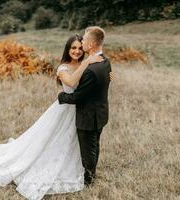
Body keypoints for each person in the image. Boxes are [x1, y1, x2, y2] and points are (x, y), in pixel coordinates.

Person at [0, 34, 103, 200]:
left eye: (80, 48)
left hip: (82, 111)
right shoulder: (63, 68)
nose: (77, 51)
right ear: (68, 49)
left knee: (78, 140)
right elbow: (72, 83)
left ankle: (82, 168)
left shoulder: (86, 64)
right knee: (54, 140)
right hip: (65, 109)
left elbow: (94, 81)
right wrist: (87, 62)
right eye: (73, 48)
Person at [58, 26, 111, 185]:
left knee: (89, 149)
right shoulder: (104, 61)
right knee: (92, 146)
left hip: (87, 115)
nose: (81, 44)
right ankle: (87, 173)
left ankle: (89, 179)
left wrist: (61, 96)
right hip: (96, 114)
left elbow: (78, 96)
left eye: (83, 42)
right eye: (73, 47)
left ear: (91, 45)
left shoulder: (90, 68)